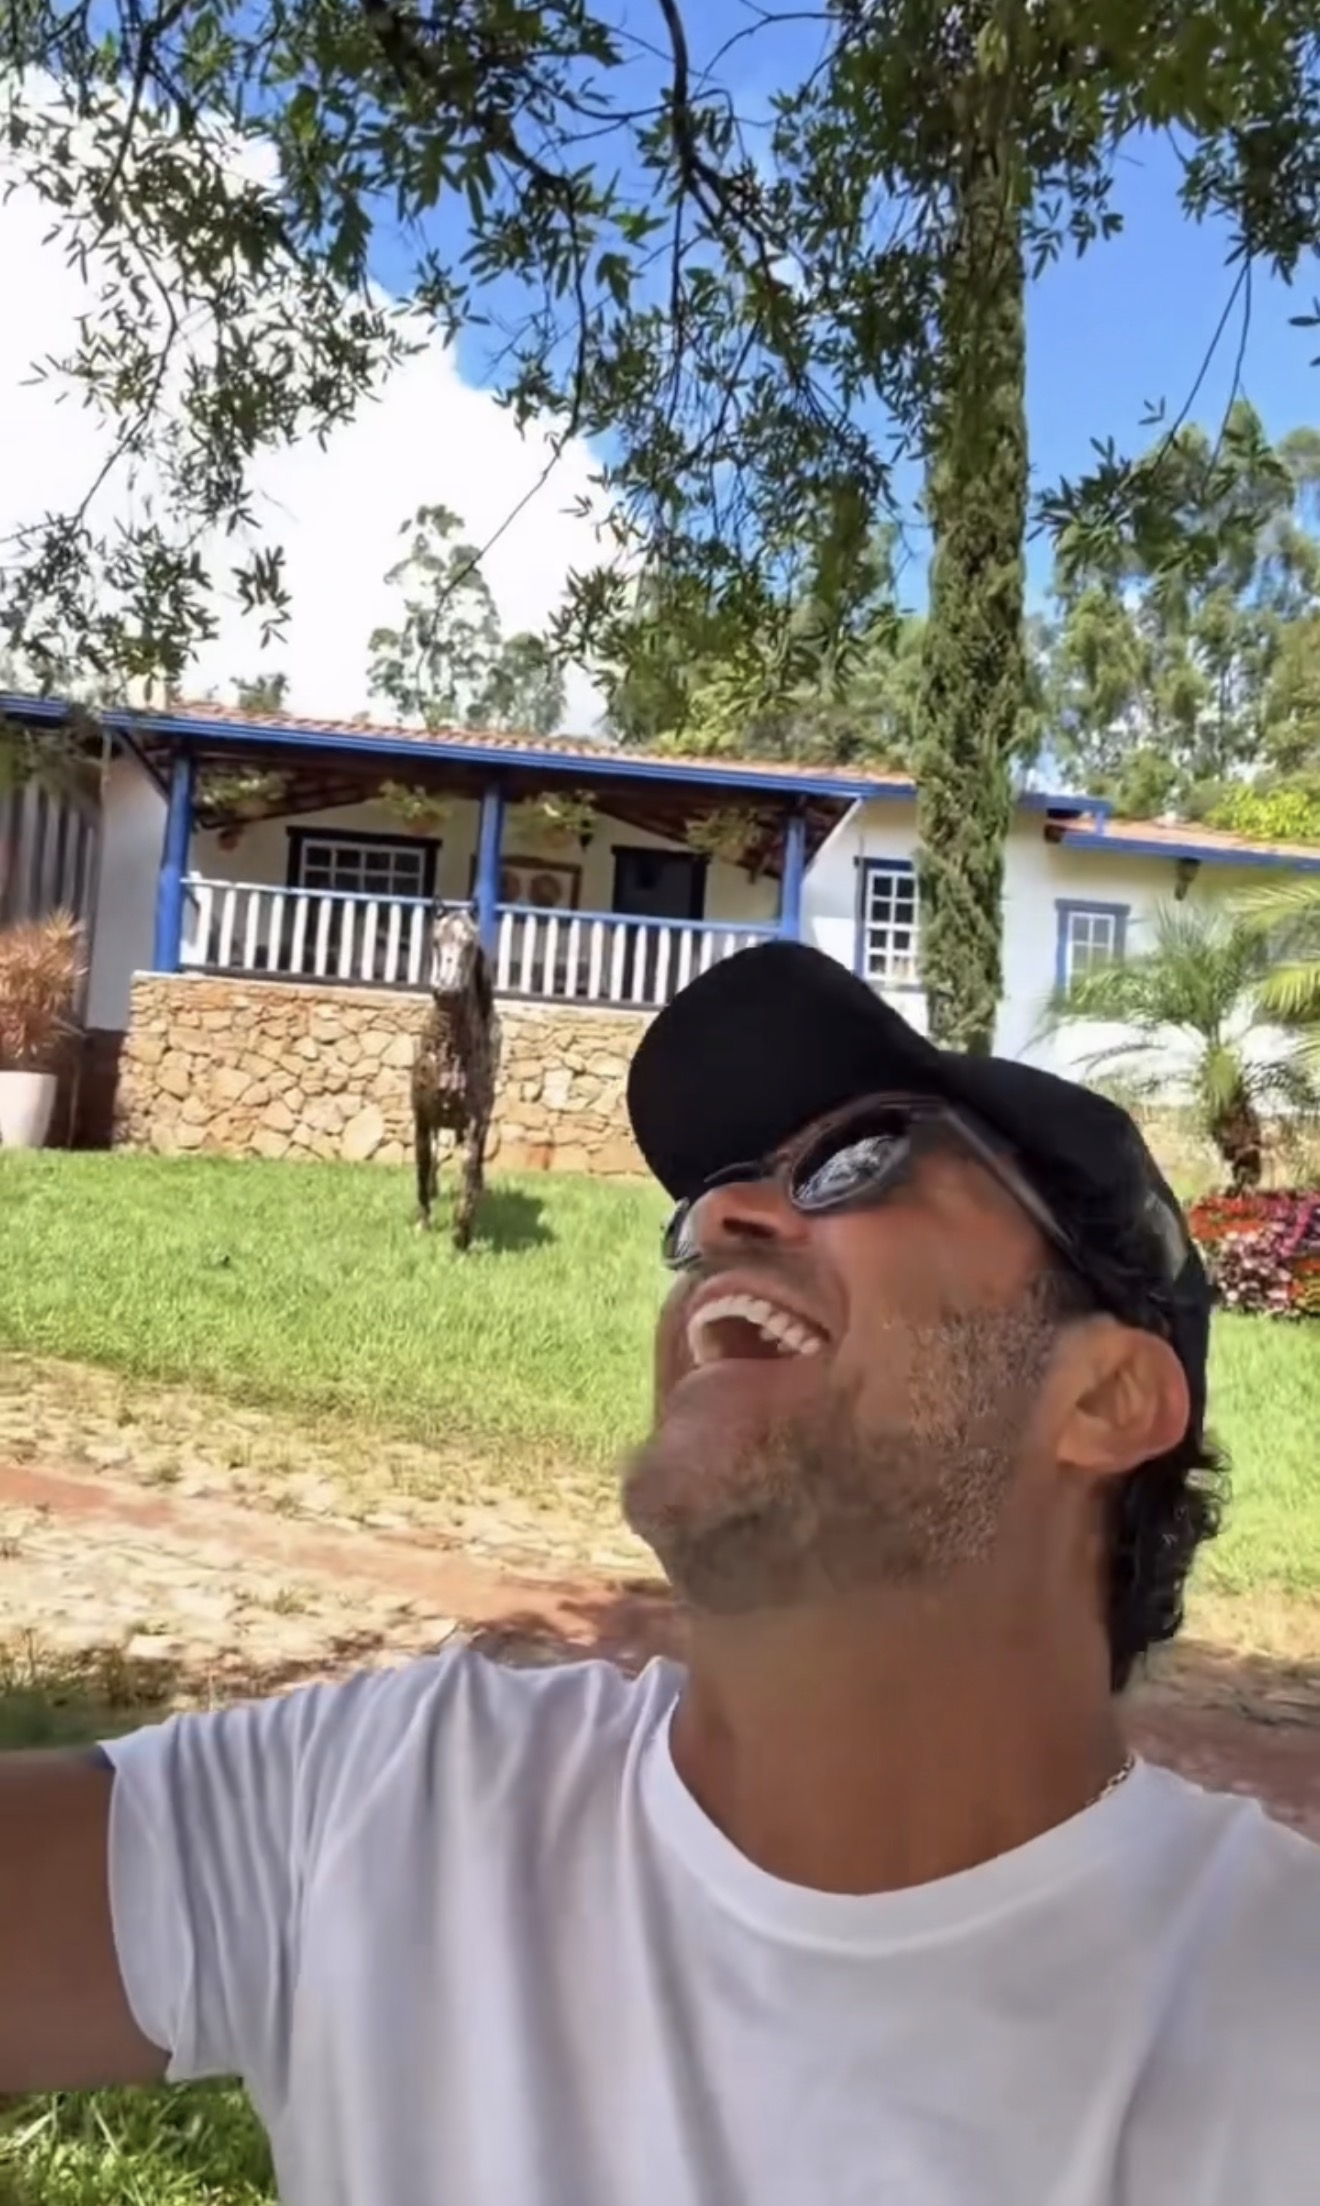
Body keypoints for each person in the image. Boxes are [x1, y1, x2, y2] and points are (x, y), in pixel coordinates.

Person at [2, 939, 1317, 2203]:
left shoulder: (1276, 2009)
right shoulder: (395, 1803)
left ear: (1105, 1398)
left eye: (861, 1160)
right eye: (709, 1206)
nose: (721, 1218)